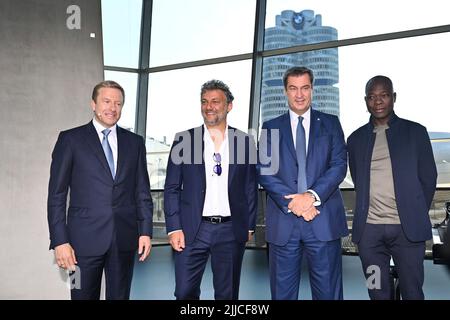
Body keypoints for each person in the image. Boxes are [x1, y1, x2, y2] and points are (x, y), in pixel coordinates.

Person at [47, 80, 153, 300]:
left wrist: (145, 231)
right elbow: (56, 195)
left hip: (124, 239)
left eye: (118, 103)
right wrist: (60, 241)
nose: (112, 108)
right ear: (93, 104)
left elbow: (142, 191)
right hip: (80, 243)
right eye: (106, 101)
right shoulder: (70, 139)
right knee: (80, 296)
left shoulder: (135, 143)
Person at [257, 66, 348, 300]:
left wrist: (310, 197)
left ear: (312, 90)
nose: (299, 95)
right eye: (293, 88)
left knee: (329, 294)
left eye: (305, 88)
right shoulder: (270, 127)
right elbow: (265, 172)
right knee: (282, 295)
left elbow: (338, 166)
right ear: (285, 92)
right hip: (284, 223)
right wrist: (295, 204)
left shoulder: (331, 123)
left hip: (323, 220)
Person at [164, 79, 257, 300]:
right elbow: (171, 188)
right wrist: (174, 227)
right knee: (184, 292)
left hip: (231, 229)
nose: (209, 107)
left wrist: (249, 225)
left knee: (227, 294)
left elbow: (250, 187)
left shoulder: (244, 141)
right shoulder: (184, 140)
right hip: (191, 230)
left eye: (215, 101)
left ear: (229, 106)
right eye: (204, 101)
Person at [347, 75, 437, 300]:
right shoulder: (355, 139)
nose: (378, 101)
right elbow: (358, 180)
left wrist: (413, 211)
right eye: (372, 96)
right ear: (365, 100)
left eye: (384, 95)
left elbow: (428, 178)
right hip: (370, 235)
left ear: (393, 98)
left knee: (412, 292)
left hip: (407, 234)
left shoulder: (416, 133)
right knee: (376, 290)